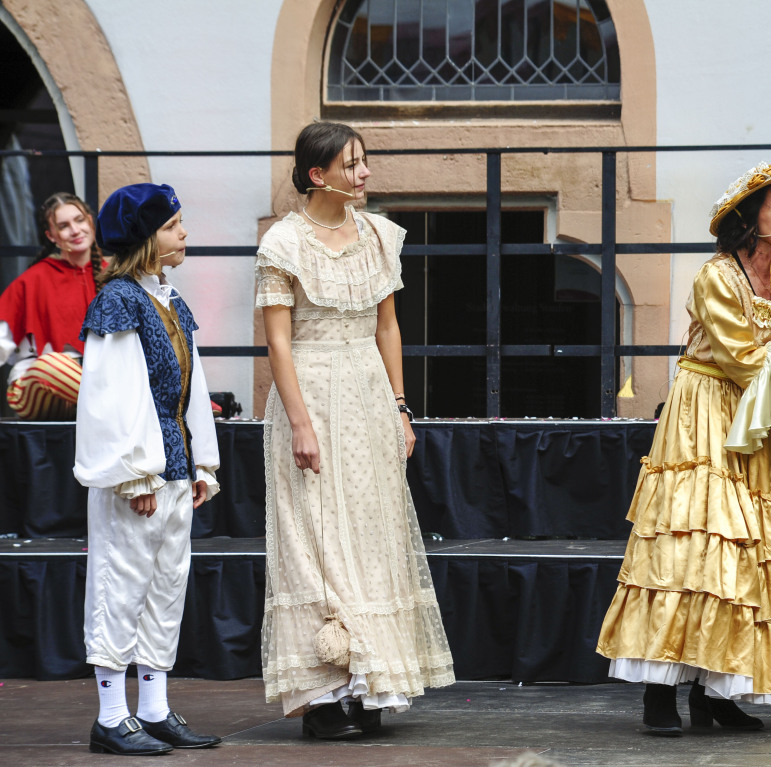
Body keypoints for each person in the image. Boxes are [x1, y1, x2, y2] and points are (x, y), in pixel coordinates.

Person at [597, 161, 771, 735]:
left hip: (757, 422)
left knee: (749, 553)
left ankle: (719, 689)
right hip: (706, 415)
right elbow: (743, 358)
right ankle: (659, 691)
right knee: (690, 549)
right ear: (749, 217)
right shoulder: (716, 276)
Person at [258, 121, 454, 738]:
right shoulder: (284, 243)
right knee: (311, 537)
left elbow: (387, 326)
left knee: (372, 533)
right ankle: (321, 693)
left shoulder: (377, 236)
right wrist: (299, 422)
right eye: (352, 164)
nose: (365, 173)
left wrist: (400, 405)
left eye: (365, 162)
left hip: (367, 398)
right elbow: (278, 343)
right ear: (318, 175)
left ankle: (370, 680)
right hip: (309, 394)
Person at [74, 183, 222, 756]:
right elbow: (114, 396)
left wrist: (200, 461)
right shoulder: (118, 301)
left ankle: (154, 709)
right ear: (145, 238)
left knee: (165, 587)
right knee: (121, 585)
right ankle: (112, 716)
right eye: (173, 225)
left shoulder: (169, 300)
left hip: (174, 466)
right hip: (137, 473)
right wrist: (133, 475)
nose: (183, 232)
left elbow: (193, 384)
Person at [0, 193, 104, 419]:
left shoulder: (115, 277)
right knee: (52, 366)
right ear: (52, 236)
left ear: (89, 220)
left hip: (96, 382)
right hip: (40, 387)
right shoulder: (33, 279)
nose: (75, 230)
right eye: (64, 226)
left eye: (79, 220)